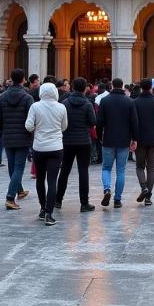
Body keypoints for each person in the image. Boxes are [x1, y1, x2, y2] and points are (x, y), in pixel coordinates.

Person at [25, 82, 68, 226]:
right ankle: (49, 213)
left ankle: (42, 208)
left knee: (40, 179)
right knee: (52, 180)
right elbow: (64, 126)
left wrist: (38, 128)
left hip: (39, 147)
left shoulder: (35, 106)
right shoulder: (61, 107)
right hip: (56, 147)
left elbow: (29, 125)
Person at [0, 69, 35, 210]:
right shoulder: (27, 97)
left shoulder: (2, 97)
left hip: (8, 136)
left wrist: (2, 130)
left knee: (13, 167)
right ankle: (10, 197)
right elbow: (31, 119)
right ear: (23, 79)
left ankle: (20, 190)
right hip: (23, 137)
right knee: (18, 168)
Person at [55, 77, 97, 212]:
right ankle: (84, 203)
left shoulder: (65, 103)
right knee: (83, 172)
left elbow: (60, 120)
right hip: (84, 141)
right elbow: (92, 122)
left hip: (67, 141)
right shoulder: (87, 104)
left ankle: (58, 200)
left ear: (72, 87)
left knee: (65, 171)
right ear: (85, 88)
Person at [96, 77, 138, 209]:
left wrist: (99, 136)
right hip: (124, 140)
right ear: (122, 86)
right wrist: (134, 139)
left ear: (112, 86)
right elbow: (134, 122)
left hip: (108, 138)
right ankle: (117, 199)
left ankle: (107, 189)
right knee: (121, 170)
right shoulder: (129, 102)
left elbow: (99, 121)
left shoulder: (105, 101)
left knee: (106, 167)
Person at [133, 79, 154, 206]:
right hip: (153, 138)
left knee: (139, 166)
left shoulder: (135, 102)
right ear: (151, 87)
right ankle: (148, 197)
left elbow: (133, 121)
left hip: (139, 138)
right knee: (151, 168)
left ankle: (144, 188)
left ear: (140, 87)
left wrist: (133, 137)